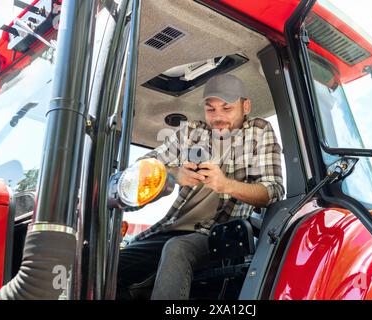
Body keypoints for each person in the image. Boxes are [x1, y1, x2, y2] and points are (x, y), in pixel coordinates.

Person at [116, 73, 285, 300]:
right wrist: (175, 175)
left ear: (246, 106)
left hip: (217, 235)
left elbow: (272, 191)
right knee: (109, 265)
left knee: (177, 249)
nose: (218, 118)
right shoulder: (191, 132)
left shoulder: (258, 132)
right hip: (168, 230)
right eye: (211, 109)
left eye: (226, 109)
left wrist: (224, 184)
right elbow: (141, 170)